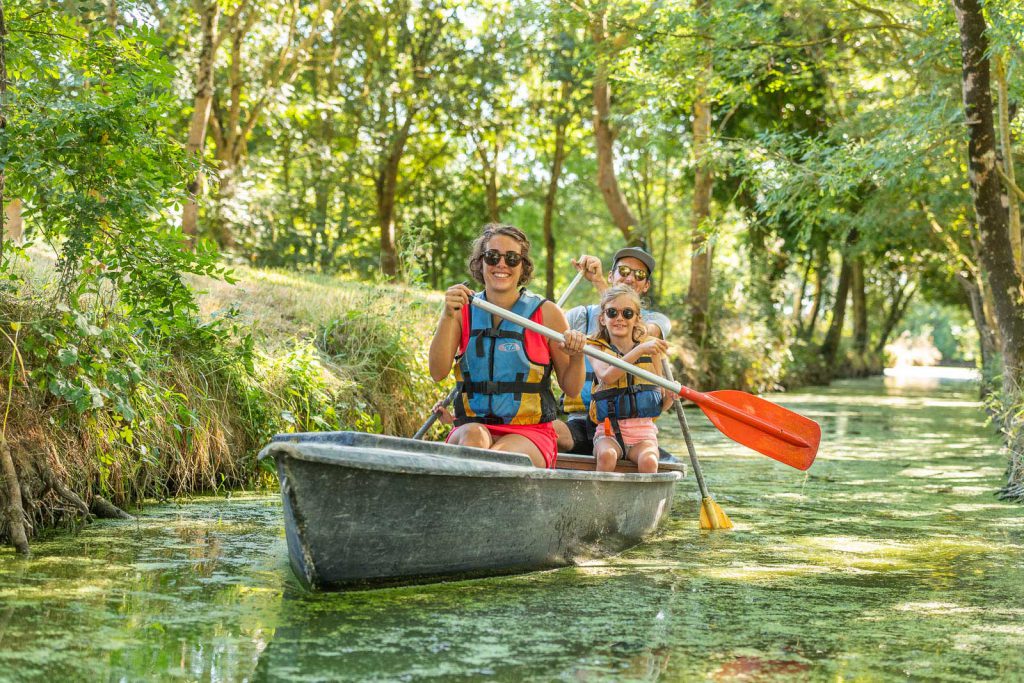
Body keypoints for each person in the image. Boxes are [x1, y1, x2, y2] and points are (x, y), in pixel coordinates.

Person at [428, 223, 586, 469]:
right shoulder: (461, 310)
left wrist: (577, 356)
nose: (501, 264)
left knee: (498, 460)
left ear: (522, 265)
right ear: (480, 262)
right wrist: (447, 315)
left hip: (530, 433)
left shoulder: (547, 313)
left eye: (512, 258)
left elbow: (572, 388)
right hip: (473, 426)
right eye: (492, 257)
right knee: (473, 440)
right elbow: (437, 372)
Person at [554, 246, 672, 455]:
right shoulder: (578, 316)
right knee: (548, 432)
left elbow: (638, 332)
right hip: (581, 420)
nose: (630, 279)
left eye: (640, 275)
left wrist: (599, 284)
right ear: (611, 276)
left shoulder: (657, 321)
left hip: (633, 428)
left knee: (649, 457)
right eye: (624, 271)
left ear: (646, 285)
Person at [587, 285, 674, 473]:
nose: (619, 318)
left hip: (643, 434)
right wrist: (639, 350)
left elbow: (661, 404)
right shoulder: (595, 348)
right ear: (603, 318)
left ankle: (646, 502)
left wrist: (670, 396)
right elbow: (607, 377)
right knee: (606, 455)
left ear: (637, 319)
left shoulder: (651, 352)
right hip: (608, 432)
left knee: (649, 460)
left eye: (627, 313)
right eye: (612, 312)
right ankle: (599, 501)